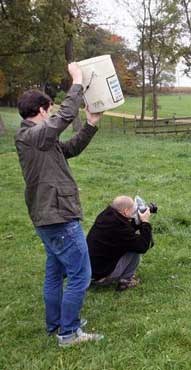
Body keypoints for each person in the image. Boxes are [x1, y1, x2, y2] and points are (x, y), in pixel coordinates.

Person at [14, 63, 104, 347]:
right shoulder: (32, 135)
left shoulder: (39, 140)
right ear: (41, 110)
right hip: (58, 216)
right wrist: (77, 82)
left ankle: (57, 325)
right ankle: (68, 333)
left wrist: (91, 124)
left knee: (55, 272)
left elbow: (71, 148)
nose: (51, 113)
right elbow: (65, 115)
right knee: (81, 274)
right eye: (49, 109)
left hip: (48, 217)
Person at [87, 196, 154, 291]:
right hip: (101, 276)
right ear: (126, 211)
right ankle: (126, 280)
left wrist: (138, 222)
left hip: (89, 272)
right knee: (134, 249)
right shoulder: (120, 227)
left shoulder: (107, 215)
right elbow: (142, 247)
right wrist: (145, 222)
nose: (136, 212)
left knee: (130, 243)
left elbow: (125, 230)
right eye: (134, 210)